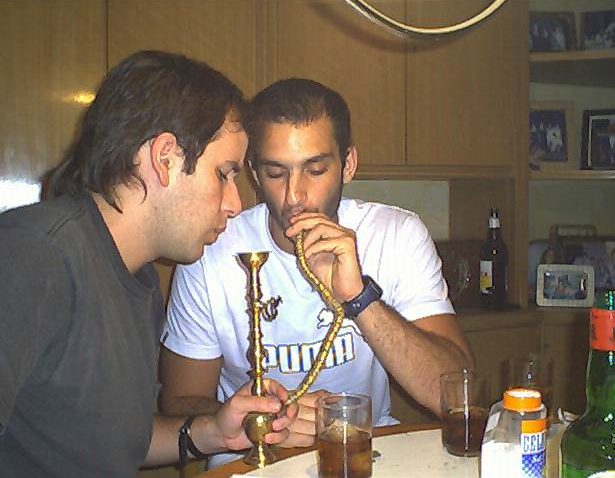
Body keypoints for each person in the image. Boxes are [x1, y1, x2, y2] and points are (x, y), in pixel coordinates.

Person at [0, 51, 297, 477]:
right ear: (165, 158)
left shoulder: (135, 276)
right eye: (223, 173)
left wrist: (215, 432)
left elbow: (117, 444)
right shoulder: (32, 256)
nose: (235, 204)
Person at [159, 78, 473, 466]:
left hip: (364, 453)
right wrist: (265, 423)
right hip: (251, 460)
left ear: (348, 165)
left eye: (316, 169)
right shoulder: (211, 249)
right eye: (276, 173)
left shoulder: (396, 235)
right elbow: (179, 401)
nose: (295, 196)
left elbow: (455, 396)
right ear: (254, 172)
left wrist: (359, 298)